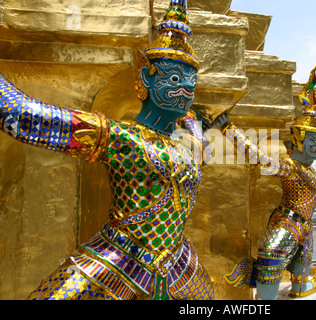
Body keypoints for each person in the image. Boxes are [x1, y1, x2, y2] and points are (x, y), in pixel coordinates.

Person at [0, 0, 215, 300]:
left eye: (192, 82)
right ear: (146, 78)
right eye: (175, 79)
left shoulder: (188, 142)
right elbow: (26, 118)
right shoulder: (122, 138)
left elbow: (197, 127)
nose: (187, 90)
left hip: (178, 265)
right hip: (119, 259)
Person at [222, 68, 316, 300]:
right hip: (287, 224)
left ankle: (300, 285)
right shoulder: (290, 167)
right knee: (271, 262)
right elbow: (259, 158)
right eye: (315, 140)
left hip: (304, 227)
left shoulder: (310, 170)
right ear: (299, 139)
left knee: (301, 267)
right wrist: (229, 130)